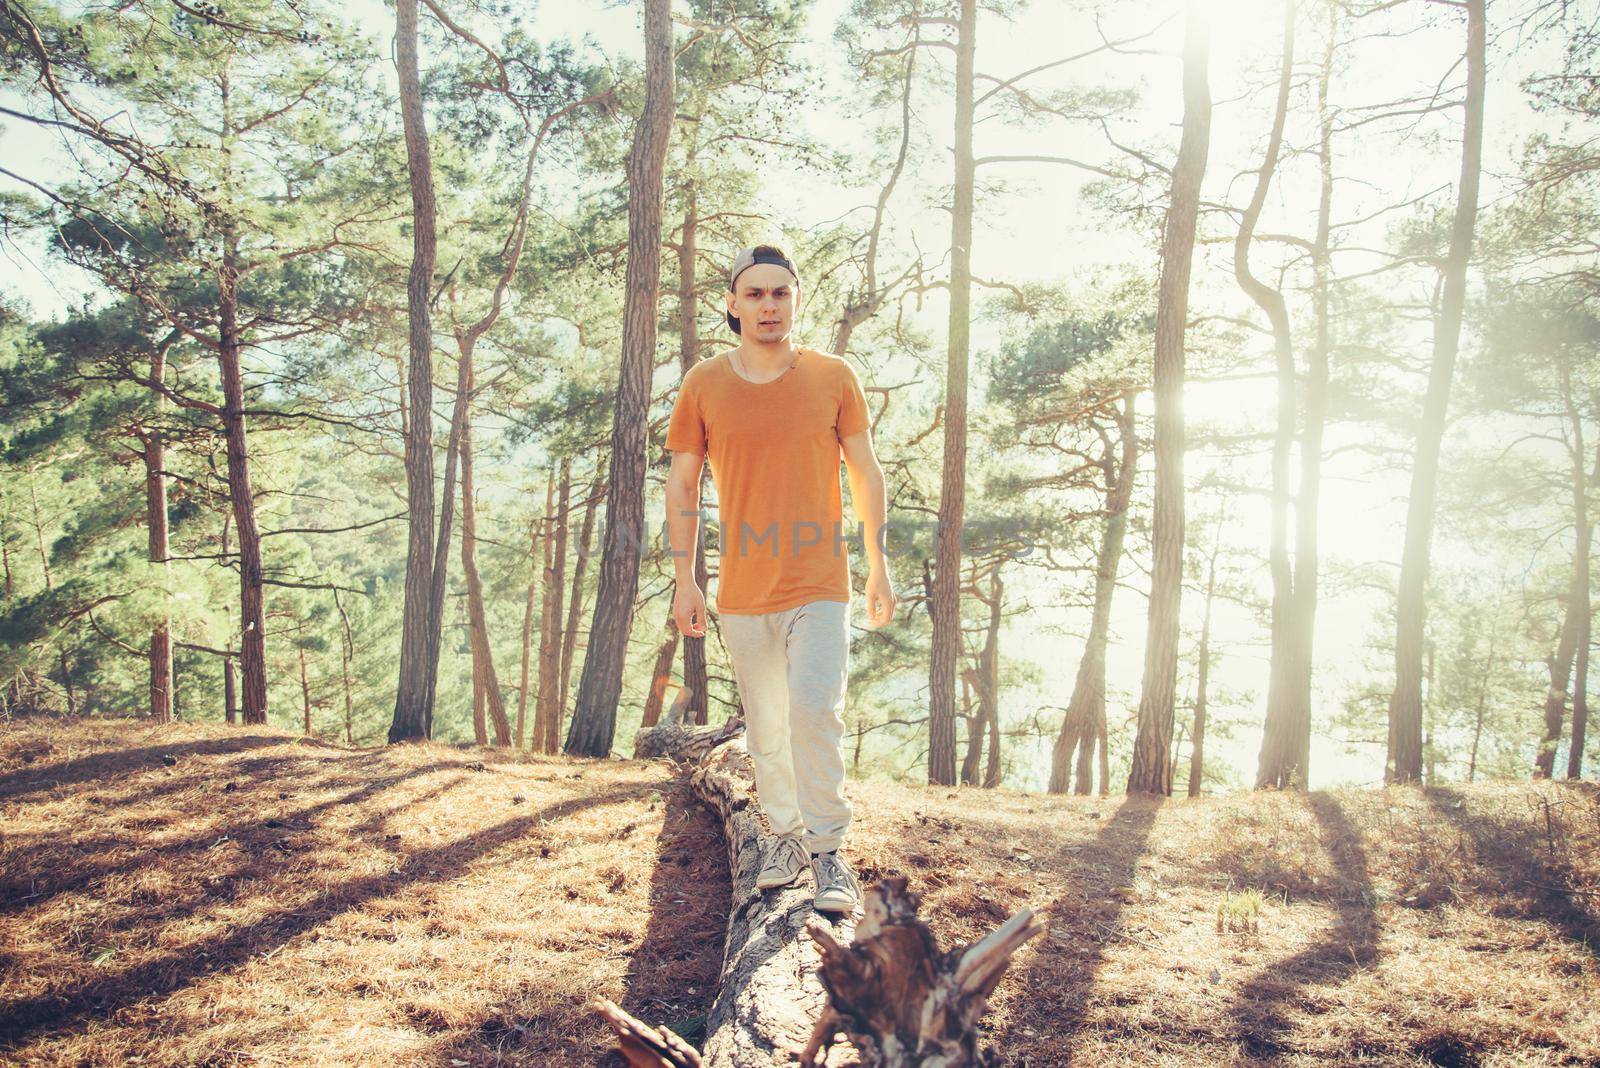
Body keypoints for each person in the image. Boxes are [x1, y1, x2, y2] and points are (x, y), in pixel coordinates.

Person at [664, 244, 897, 915]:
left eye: (781, 293)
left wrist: (878, 563)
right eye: (756, 294)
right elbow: (682, 484)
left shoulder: (832, 376)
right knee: (767, 728)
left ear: (796, 299)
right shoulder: (706, 384)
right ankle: (784, 840)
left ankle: (828, 854)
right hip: (741, 593)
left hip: (819, 583)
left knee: (814, 711)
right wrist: (687, 579)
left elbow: (866, 472)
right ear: (733, 306)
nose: (769, 305)